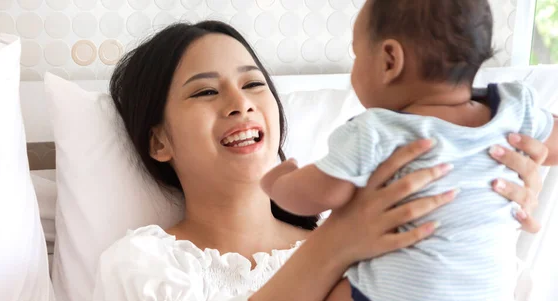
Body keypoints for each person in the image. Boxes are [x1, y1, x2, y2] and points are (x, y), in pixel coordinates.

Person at [92, 20, 550, 301]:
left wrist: (488, 195)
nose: (241, 104)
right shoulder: (144, 266)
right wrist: (338, 241)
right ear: (159, 142)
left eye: (253, 85)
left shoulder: (377, 224)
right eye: (206, 91)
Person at [261, 1, 557, 301]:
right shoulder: (514, 108)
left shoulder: (378, 130)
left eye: (356, 54)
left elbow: (319, 195)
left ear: (389, 60)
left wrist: (277, 184)